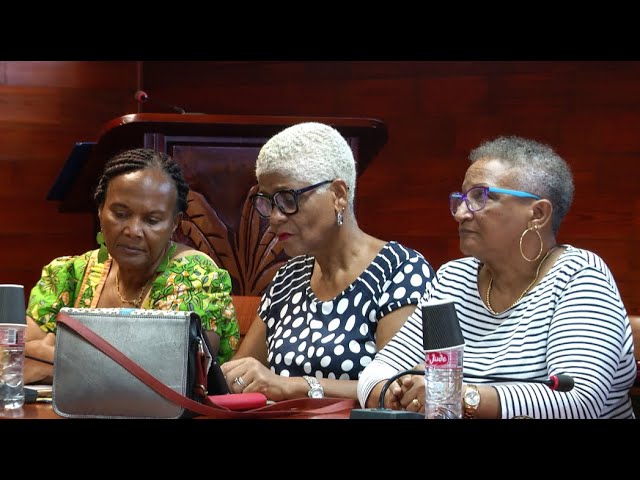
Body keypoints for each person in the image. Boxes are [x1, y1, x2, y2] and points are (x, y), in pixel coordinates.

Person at [357, 135, 636, 419]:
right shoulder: (453, 279)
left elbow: (577, 400)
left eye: (481, 197)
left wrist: (461, 395)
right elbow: (378, 371)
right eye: (462, 199)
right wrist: (393, 393)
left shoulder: (580, 276)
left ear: (537, 214)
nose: (461, 214)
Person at [220, 122, 435, 402]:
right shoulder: (288, 279)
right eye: (268, 201)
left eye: (288, 198)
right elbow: (239, 375)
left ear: (338, 195)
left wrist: (293, 387)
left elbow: (398, 392)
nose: (274, 217)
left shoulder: (400, 271)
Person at [25, 148, 239, 384]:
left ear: (174, 224)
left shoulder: (194, 275)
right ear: (100, 210)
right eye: (121, 214)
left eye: (152, 220)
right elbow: (15, 358)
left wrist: (56, 357)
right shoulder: (68, 274)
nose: (133, 231)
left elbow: (172, 375)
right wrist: (105, 363)